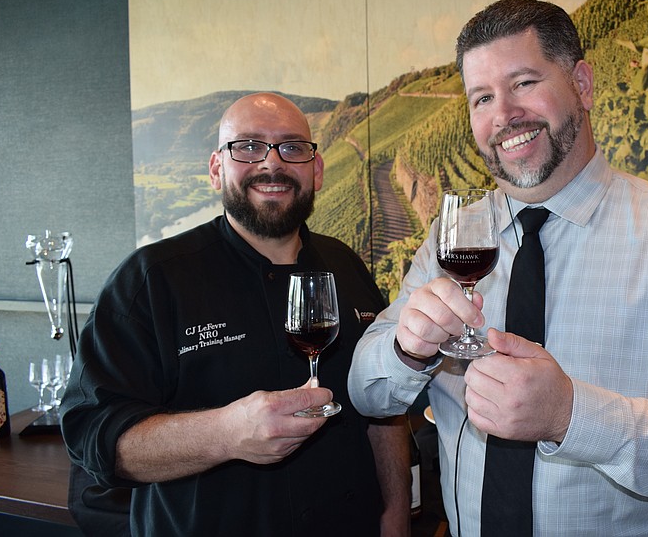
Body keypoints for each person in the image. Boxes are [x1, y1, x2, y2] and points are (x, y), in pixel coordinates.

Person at [349, 0, 648, 536]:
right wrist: (405, 350)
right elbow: (366, 391)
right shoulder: (450, 239)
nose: (503, 115)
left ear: (583, 85)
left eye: (524, 83)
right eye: (482, 98)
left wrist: (572, 416)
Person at [61, 93, 410, 536]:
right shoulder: (151, 279)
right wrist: (225, 433)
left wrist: (396, 516)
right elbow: (94, 435)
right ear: (216, 169)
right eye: (247, 146)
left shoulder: (346, 265)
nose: (272, 163)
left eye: (292, 147)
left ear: (317, 170)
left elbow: (383, 411)